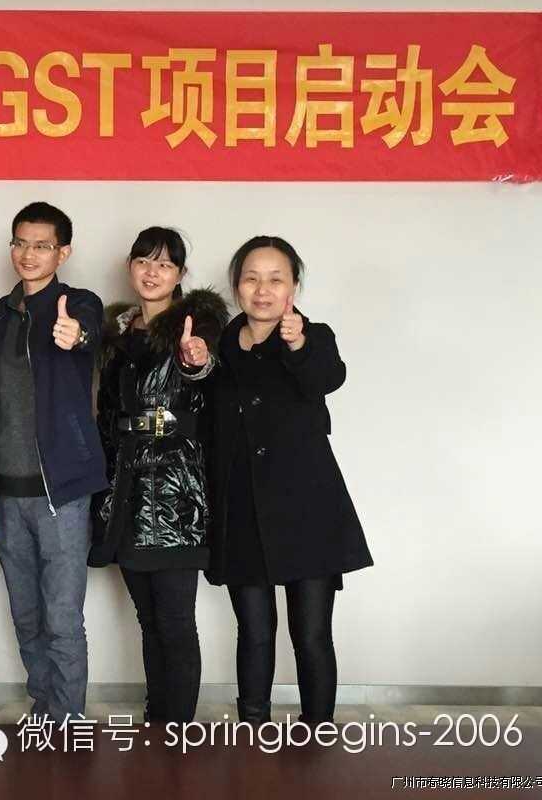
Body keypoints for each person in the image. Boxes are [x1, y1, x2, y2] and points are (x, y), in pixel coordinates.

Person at [206, 236, 373, 725]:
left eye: (275, 279)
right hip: (242, 506)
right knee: (254, 632)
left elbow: (327, 377)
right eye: (252, 278)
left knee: (312, 634)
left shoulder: (312, 336)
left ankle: (317, 731)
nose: (263, 290)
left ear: (293, 287)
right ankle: (252, 729)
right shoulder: (219, 345)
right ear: (237, 285)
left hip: (308, 508)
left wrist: (297, 343)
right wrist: (195, 369)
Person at [89, 226, 227, 724]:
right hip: (125, 492)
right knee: (148, 620)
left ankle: (179, 729)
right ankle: (157, 720)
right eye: (144, 261)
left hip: (175, 493)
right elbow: (107, 416)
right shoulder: (116, 337)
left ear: (180, 274)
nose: (152, 272)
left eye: (165, 264)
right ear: (130, 266)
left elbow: (202, 370)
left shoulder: (196, 326)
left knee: (174, 620)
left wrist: (196, 361)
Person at [0, 201, 106, 723]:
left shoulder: (79, 303)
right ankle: (43, 711)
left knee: (62, 618)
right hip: (7, 492)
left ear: (63, 252)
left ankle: (69, 722)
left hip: (62, 490)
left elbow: (90, 332)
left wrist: (76, 336)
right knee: (27, 616)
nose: (28, 254)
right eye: (20, 242)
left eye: (41, 245)